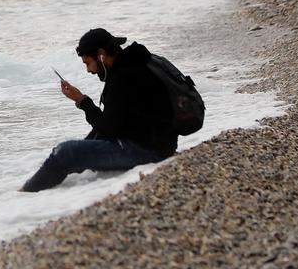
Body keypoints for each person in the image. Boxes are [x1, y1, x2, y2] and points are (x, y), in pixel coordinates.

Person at [20, 28, 179, 192]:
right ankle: (50, 182)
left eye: (88, 63)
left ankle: (24, 195)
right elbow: (113, 123)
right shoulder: (138, 63)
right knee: (89, 140)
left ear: (101, 54)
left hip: (148, 150)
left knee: (65, 152)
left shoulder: (122, 77)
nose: (89, 70)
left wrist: (82, 101)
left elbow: (109, 129)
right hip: (160, 144)